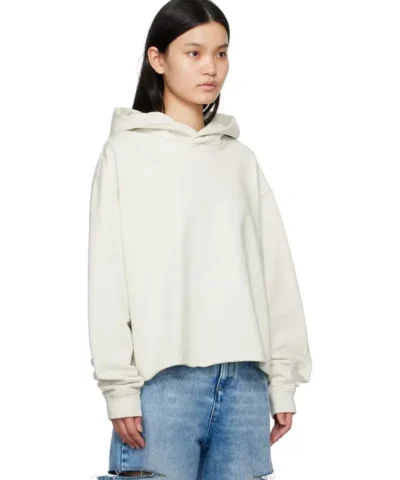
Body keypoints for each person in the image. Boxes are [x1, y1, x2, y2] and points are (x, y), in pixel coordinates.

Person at [88, 0, 312, 478]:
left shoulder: (240, 161)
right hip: (162, 388)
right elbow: (108, 278)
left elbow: (274, 273)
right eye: (194, 53)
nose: (211, 67)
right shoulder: (124, 154)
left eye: (221, 53)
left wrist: (283, 382)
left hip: (246, 388)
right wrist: (119, 389)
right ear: (157, 59)